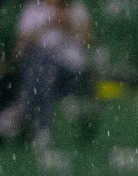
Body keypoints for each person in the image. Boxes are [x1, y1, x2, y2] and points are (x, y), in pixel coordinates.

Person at [0, 0, 91, 149]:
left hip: (69, 69)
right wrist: (48, 25)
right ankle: (43, 130)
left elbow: (88, 42)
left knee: (42, 69)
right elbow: (21, 45)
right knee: (42, 64)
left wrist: (68, 26)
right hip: (38, 68)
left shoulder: (76, 9)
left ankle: (20, 109)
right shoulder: (33, 9)